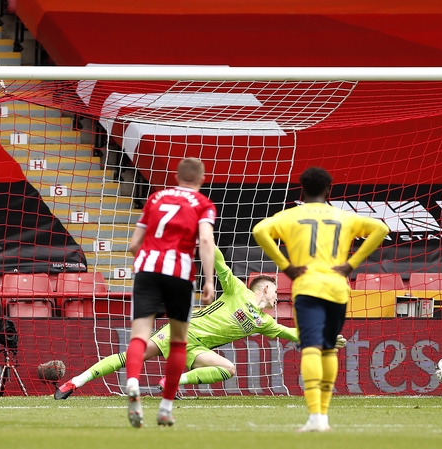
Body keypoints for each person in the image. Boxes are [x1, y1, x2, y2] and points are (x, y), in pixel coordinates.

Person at [54, 246, 346, 400]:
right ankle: (73, 382)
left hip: (197, 348)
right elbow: (219, 264)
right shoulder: (238, 290)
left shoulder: (263, 321)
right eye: (276, 289)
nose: (278, 295)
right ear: (265, 288)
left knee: (228, 369)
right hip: (181, 332)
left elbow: (293, 334)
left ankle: (172, 382)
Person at [253, 166, 389, 432]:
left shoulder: (290, 216)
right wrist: (351, 264)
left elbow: (259, 231)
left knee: (311, 349)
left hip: (308, 288)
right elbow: (381, 228)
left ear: (301, 189)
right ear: (329, 189)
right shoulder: (343, 217)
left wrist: (285, 265)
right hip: (338, 289)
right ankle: (323, 417)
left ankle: (316, 417)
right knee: (328, 349)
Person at [123, 157, 216, 428]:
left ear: (177, 177)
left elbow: (133, 245)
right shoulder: (203, 204)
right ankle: (165, 407)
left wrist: (147, 260)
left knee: (139, 335)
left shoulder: (155, 198)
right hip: (179, 273)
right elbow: (206, 240)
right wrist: (209, 281)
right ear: (201, 179)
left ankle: (132, 383)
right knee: (178, 342)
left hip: (147, 270)